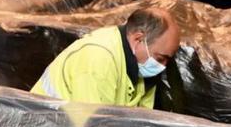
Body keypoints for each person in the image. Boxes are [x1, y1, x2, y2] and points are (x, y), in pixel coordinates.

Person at [31, 8, 181, 108]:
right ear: (138, 39)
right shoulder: (98, 58)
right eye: (161, 58)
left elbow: (143, 122)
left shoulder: (142, 69)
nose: (163, 66)